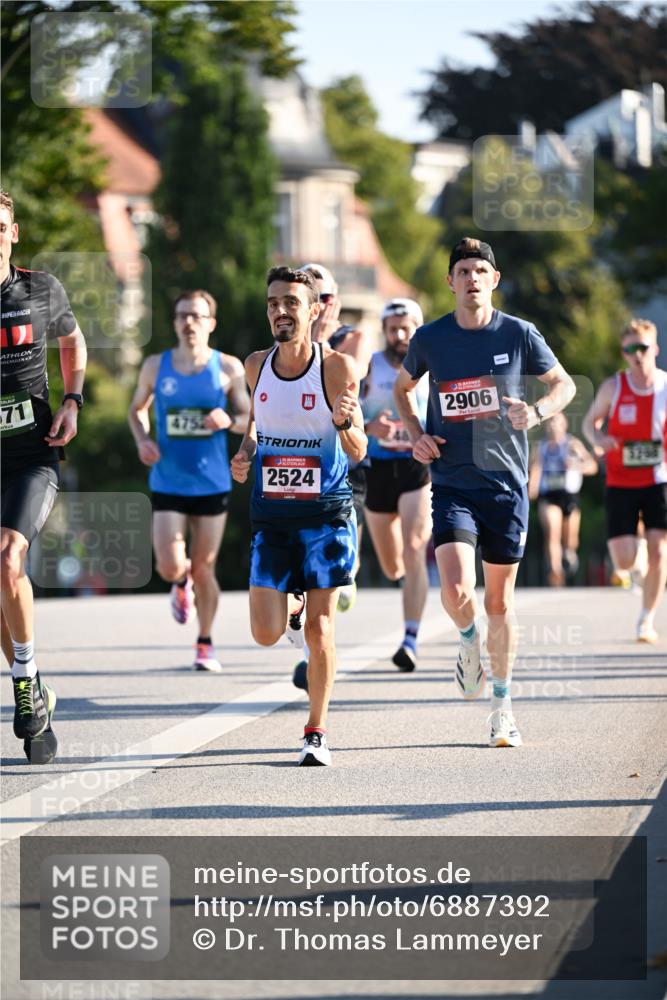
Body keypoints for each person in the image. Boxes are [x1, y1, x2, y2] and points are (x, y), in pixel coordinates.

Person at [394, 237, 575, 747]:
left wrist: (536, 412)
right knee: (454, 589)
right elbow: (403, 389)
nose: (472, 278)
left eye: (480, 270)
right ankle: (468, 642)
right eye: (463, 271)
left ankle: (502, 706)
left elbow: (565, 385)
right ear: (450, 281)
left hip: (506, 485)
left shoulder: (520, 334)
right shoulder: (430, 339)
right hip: (453, 481)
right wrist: (416, 434)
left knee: (498, 602)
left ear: (493, 280)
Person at [231, 265, 366, 766]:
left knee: (322, 628)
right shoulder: (254, 366)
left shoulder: (336, 369)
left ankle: (316, 730)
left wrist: (344, 421)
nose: (280, 311)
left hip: (326, 516)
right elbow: (256, 428)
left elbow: (359, 447)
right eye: (272, 303)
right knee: (265, 633)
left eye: (291, 302)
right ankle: (290, 606)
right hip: (271, 514)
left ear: (314, 311)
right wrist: (244, 455)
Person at [0, 189, 87, 763]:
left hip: (32, 454)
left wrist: (73, 400)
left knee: (9, 555)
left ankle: (26, 683)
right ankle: (36, 686)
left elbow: (72, 341)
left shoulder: (40, 288)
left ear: (12, 232)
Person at [128, 290, 249, 671]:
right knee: (169, 565)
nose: (189, 322)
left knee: (205, 567)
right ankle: (179, 584)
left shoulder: (228, 368)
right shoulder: (154, 366)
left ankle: (204, 643)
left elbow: (250, 419)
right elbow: (136, 411)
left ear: (211, 323)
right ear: (175, 322)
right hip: (168, 480)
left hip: (212, 483)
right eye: (182, 315)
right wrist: (143, 439)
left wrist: (229, 420)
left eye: (197, 316)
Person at [289, 263, 371, 691]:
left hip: (346, 466)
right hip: (299, 469)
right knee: (302, 574)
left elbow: (345, 382)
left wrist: (316, 339)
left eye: (320, 298)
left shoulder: (352, 339)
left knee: (334, 576)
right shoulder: (287, 348)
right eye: (307, 298)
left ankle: (349, 573)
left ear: (333, 302)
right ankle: (308, 658)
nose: (314, 306)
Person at [583, 318, 667, 643]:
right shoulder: (613, 387)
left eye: (643, 347)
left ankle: (646, 619)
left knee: (660, 548)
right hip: (620, 480)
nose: (637, 355)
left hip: (659, 478)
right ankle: (636, 559)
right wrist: (598, 440)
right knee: (623, 558)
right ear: (624, 352)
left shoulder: (664, 386)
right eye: (630, 349)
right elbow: (590, 423)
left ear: (655, 349)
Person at [361, 298, 431, 671]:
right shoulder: (368, 366)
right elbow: (346, 412)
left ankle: (410, 637)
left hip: (416, 467)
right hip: (377, 468)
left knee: (415, 547)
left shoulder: (432, 365)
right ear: (385, 331)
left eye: (407, 328)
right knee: (392, 565)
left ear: (418, 328)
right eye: (393, 329)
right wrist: (371, 427)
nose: (400, 335)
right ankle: (404, 579)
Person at [528, 412, 597, 585]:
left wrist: (576, 465)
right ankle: (555, 570)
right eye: (550, 421)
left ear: (565, 425)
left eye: (557, 421)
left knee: (571, 539)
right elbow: (535, 470)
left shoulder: (572, 444)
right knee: (552, 532)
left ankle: (569, 552)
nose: (553, 425)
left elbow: (592, 466)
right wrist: (530, 494)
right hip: (548, 495)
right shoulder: (540, 446)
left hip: (569, 495)